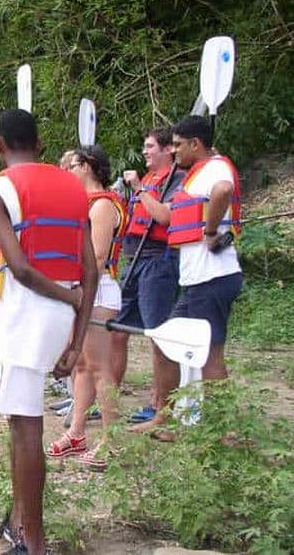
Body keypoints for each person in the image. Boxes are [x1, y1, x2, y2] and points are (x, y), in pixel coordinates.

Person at [0, 109, 97, 555]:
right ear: (41, 144)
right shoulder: (73, 186)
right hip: (63, 316)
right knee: (21, 422)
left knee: (26, 427)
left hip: (30, 311)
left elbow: (23, 271)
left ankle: (34, 541)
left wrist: (67, 302)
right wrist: (78, 336)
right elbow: (90, 269)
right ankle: (18, 520)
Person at [131, 115, 243, 439]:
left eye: (179, 145)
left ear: (196, 144)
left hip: (213, 277)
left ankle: (222, 431)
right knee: (169, 344)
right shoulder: (197, 173)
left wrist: (209, 231)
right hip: (198, 280)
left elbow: (223, 190)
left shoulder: (216, 169)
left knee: (209, 355)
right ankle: (168, 417)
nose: (175, 150)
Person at [47, 146, 127, 471]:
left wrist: (76, 291)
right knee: (79, 364)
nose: (66, 169)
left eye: (73, 164)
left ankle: (111, 440)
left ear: (88, 166)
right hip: (79, 291)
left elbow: (97, 256)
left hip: (98, 289)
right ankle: (77, 431)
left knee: (98, 367)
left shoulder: (104, 204)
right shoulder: (82, 203)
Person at [113, 128, 185, 423]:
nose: (144, 152)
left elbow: (165, 217)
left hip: (158, 261)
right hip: (133, 259)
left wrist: (140, 189)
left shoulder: (177, 179)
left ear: (168, 150)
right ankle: (106, 398)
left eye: (150, 146)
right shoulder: (150, 180)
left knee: (159, 336)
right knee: (116, 330)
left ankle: (161, 406)